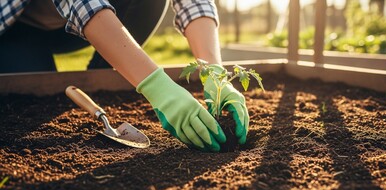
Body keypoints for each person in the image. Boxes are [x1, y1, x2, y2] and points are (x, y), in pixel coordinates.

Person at [0, 0, 249, 152]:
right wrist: (158, 86)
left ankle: (100, 85)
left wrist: (215, 73)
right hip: (16, 27)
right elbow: (81, 2)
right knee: (33, 90)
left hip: (74, 26)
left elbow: (194, 2)